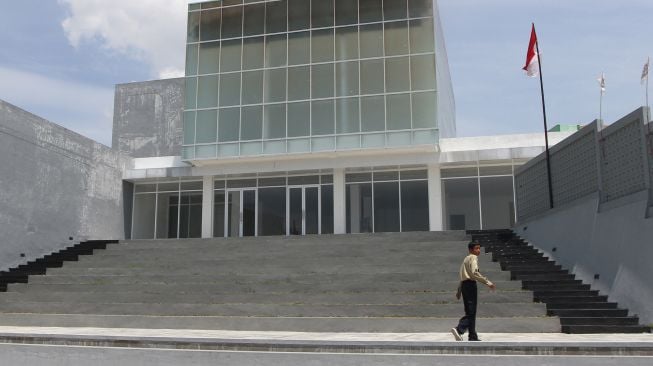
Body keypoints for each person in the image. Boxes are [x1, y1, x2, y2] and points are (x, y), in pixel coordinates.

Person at [451, 241, 496, 341]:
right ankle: (459, 329)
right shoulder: (473, 258)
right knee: (471, 312)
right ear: (471, 250)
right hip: (470, 285)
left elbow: (462, 275)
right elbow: (474, 273)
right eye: (476, 248)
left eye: (479, 248)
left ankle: (472, 336)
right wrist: (488, 282)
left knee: (469, 311)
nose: (478, 250)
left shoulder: (465, 259)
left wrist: (459, 291)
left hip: (464, 286)